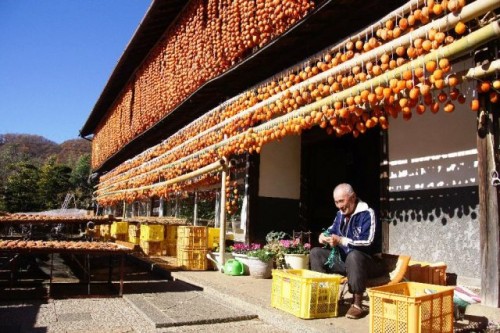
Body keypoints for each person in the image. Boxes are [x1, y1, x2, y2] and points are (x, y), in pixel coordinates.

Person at [310, 183, 384, 319]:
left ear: (353, 197)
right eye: (336, 202)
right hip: (346, 261)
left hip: (369, 264)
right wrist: (323, 236)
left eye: (341, 201)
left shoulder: (367, 213)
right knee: (316, 253)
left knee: (354, 255)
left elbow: (368, 241)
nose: (339, 206)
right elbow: (331, 230)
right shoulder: (340, 215)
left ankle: (357, 304)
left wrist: (341, 240)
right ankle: (324, 298)